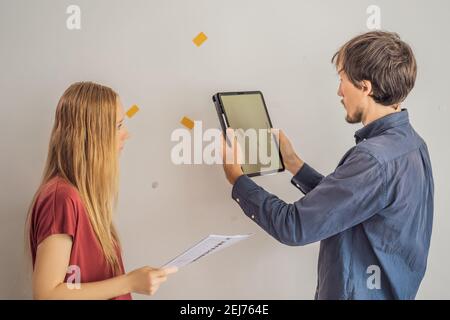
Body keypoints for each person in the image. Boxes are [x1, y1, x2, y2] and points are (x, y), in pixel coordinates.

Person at [221, 31, 434, 299]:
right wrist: (295, 164)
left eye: (343, 80)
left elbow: (293, 226)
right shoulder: (412, 145)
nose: (339, 91)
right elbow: (352, 203)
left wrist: (237, 179)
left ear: (365, 87)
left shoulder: (372, 159)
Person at [26, 82, 177, 299]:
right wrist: (129, 282)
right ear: (92, 135)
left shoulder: (83, 198)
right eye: (118, 126)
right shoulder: (61, 198)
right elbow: (48, 293)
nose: (126, 134)